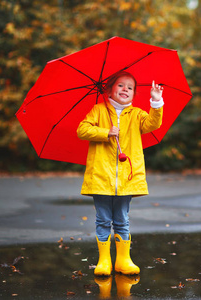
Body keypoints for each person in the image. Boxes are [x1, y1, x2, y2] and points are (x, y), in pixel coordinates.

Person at [77, 70, 163, 276]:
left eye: (130, 87)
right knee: (103, 219)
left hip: (126, 177)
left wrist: (156, 102)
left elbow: (153, 124)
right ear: (110, 89)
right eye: (120, 85)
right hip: (101, 176)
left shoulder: (137, 115)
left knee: (122, 219)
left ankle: (123, 260)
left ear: (134, 94)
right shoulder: (98, 110)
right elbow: (82, 130)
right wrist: (105, 132)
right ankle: (104, 261)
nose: (125, 90)